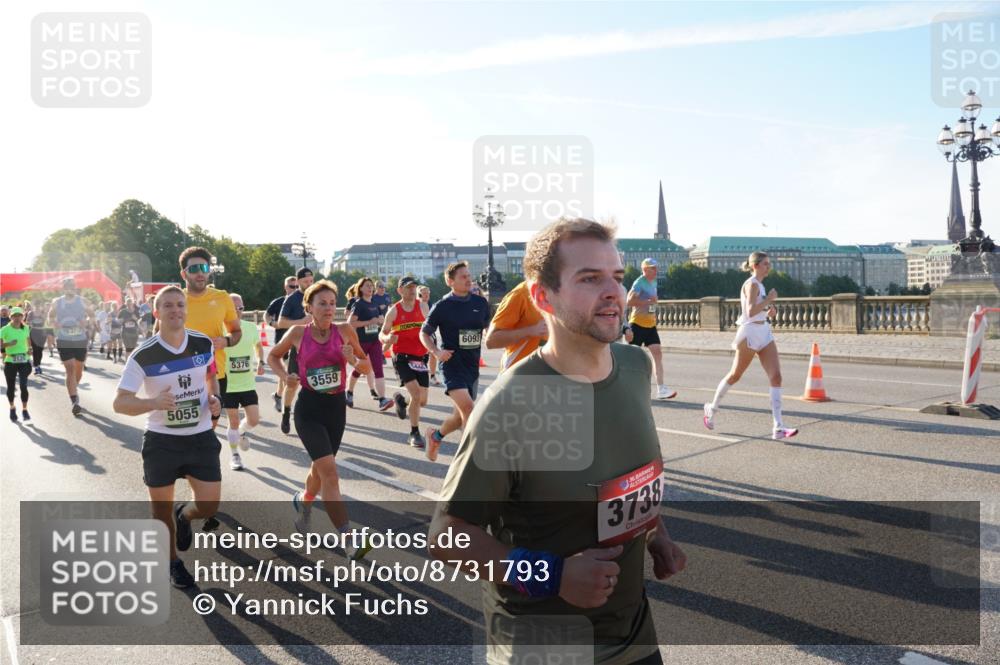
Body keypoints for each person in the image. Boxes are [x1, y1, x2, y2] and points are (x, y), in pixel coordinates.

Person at [429, 218, 687, 664]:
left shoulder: (635, 368)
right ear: (542, 296)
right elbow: (447, 537)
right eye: (590, 279)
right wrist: (554, 574)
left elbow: (628, 473)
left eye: (617, 278)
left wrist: (655, 533)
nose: (613, 292)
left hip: (635, 637)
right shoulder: (509, 404)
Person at [112, 286, 223, 588]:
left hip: (200, 437)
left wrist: (215, 400)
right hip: (162, 442)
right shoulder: (143, 355)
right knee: (160, 512)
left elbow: (211, 376)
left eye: (180, 305)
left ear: (186, 309)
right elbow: (120, 402)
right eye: (168, 306)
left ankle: (185, 516)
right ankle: (173, 562)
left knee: (210, 506)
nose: (176, 310)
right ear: (156, 312)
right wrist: (152, 403)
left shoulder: (202, 343)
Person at [267, 280, 373, 560]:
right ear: (309, 307)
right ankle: (348, 539)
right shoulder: (298, 333)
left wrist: (353, 360)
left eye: (331, 303)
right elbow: (273, 356)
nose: (328, 308)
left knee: (319, 469)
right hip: (309, 410)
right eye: (321, 303)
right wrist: (284, 376)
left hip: (336, 410)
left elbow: (366, 365)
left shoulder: (345, 331)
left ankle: (303, 504)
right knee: (330, 473)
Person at [703, 251, 798, 441]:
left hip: (763, 332)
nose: (768, 267)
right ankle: (711, 409)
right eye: (765, 264)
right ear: (755, 266)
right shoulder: (752, 284)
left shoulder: (760, 285)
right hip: (749, 334)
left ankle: (778, 426)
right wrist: (769, 300)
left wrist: (769, 312)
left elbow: (758, 310)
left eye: (769, 263)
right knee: (735, 375)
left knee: (776, 377)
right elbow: (749, 311)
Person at [419, 261, 490, 463]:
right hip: (451, 366)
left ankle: (435, 436)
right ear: (451, 282)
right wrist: (436, 352)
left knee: (459, 417)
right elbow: (424, 333)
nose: (469, 279)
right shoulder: (442, 306)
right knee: (469, 409)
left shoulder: (480, 303)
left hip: (472, 367)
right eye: (463, 277)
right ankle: (468, 460)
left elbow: (488, 328)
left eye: (469, 276)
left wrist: (491, 335)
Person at [178, 247, 242, 431]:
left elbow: (236, 332)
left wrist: (226, 341)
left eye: (204, 269)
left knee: (209, 428)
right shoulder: (176, 299)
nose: (200, 273)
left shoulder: (222, 297)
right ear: (184, 274)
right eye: (194, 269)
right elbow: (158, 334)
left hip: (216, 374)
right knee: (184, 428)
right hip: (181, 374)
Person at [380, 276, 431, 448]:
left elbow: (430, 327)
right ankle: (414, 433)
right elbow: (382, 334)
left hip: (421, 357)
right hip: (402, 357)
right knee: (416, 394)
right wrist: (388, 337)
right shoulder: (394, 311)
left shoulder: (423, 306)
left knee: (422, 400)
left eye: (414, 287)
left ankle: (402, 402)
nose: (411, 290)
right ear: (400, 290)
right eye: (408, 287)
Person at [222, 293, 265, 470]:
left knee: (254, 420)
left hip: (247, 383)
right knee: (232, 421)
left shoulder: (250, 327)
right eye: (234, 308)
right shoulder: (219, 329)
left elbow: (258, 345)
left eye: (241, 308)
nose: (238, 311)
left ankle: (240, 432)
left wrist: (260, 361)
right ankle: (234, 456)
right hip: (228, 384)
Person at [626, 258, 676, 401]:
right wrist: (647, 302)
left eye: (656, 268)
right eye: (653, 268)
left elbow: (652, 301)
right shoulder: (639, 283)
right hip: (637, 324)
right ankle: (626, 387)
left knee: (657, 353)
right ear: (645, 269)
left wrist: (652, 305)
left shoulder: (653, 281)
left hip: (650, 324)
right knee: (632, 359)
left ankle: (661, 389)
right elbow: (629, 302)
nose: (656, 270)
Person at [345, 277, 394, 412]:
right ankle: (349, 392)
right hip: (361, 341)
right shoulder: (359, 304)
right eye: (367, 286)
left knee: (378, 368)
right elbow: (350, 323)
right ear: (360, 288)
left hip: (374, 341)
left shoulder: (374, 302)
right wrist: (368, 322)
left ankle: (382, 399)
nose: (370, 288)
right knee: (360, 369)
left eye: (371, 286)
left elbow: (379, 319)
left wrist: (380, 320)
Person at [276, 267, 315, 434]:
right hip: (298, 347)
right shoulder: (292, 299)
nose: (309, 284)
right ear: (298, 282)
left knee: (316, 383)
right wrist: (301, 321)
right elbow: (281, 322)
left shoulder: (317, 296)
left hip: (318, 345)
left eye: (311, 281)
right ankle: (286, 411)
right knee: (293, 383)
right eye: (306, 282)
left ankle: (313, 416)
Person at [48, 278, 93, 416]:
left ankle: (74, 389)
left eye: (72, 286)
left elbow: (91, 315)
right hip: (64, 339)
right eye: (67, 286)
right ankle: (74, 401)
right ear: (64, 288)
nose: (70, 288)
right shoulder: (57, 302)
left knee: (78, 370)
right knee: (70, 368)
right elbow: (50, 316)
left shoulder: (83, 301)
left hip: (80, 339)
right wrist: (54, 323)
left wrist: (85, 322)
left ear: (75, 287)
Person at [484, 280, 548, 373]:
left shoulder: (564, 292)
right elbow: (491, 341)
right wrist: (531, 331)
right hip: (519, 375)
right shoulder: (521, 294)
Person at [265, 275, 297, 411]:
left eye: (297, 286)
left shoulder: (303, 301)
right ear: (285, 287)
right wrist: (272, 323)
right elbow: (266, 314)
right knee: (289, 373)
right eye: (291, 286)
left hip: (299, 341)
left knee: (288, 374)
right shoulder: (279, 302)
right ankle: (286, 403)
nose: (294, 289)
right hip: (282, 342)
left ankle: (278, 396)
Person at [2, 307, 32, 422]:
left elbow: (28, 340)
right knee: (11, 387)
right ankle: (12, 407)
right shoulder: (5, 329)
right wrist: (8, 344)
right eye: (15, 316)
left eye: (19, 315)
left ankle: (25, 410)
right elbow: (0, 345)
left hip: (24, 360)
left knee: (24, 386)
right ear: (11, 317)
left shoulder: (26, 328)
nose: (17, 318)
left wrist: (30, 349)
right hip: (10, 361)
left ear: (22, 317)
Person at [417, 286, 440, 386]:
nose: (427, 295)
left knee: (433, 354)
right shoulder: (416, 304)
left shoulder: (431, 304)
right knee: (420, 356)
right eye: (424, 293)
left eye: (428, 293)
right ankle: (420, 375)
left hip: (430, 332)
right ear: (419, 294)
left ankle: (432, 375)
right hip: (419, 333)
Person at [25, 301, 47, 375]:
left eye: (39, 305)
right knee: (35, 350)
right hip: (33, 332)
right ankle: (36, 366)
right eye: (36, 305)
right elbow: (26, 322)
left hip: (42, 333)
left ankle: (38, 364)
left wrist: (42, 315)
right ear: (34, 306)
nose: (37, 307)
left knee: (40, 350)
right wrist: (30, 323)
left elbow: (47, 321)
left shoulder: (43, 312)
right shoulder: (31, 313)